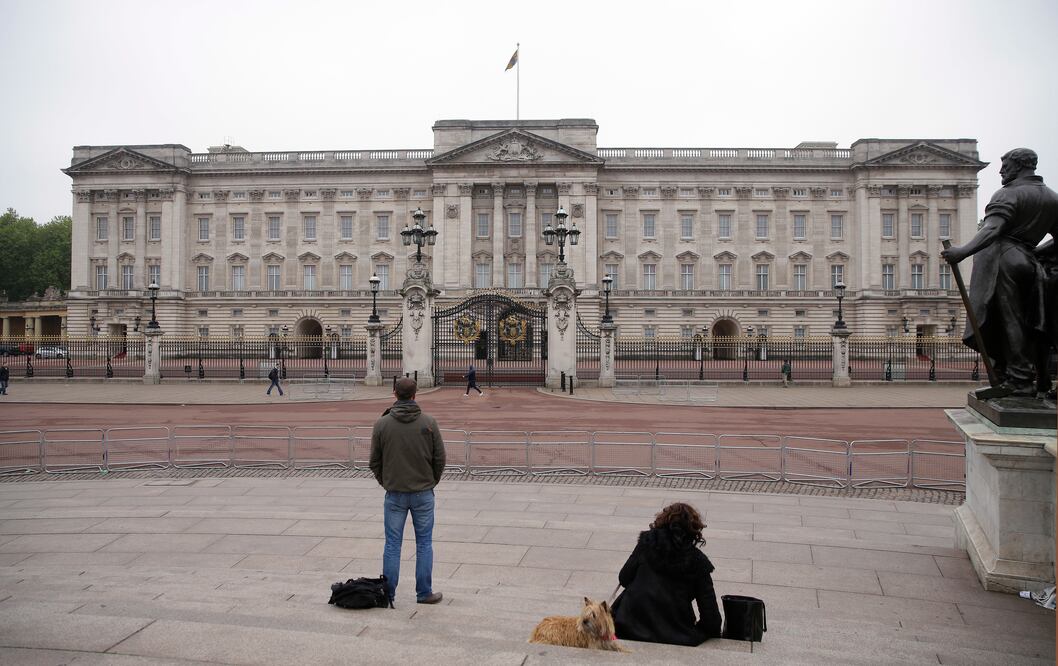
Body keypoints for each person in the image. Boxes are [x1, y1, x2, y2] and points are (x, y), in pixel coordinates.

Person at [941, 148, 1058, 397]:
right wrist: (1033, 253)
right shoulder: (1052, 198)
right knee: (1029, 323)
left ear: (1019, 165)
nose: (1001, 170)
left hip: (1002, 261)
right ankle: (1023, 377)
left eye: (1006, 165)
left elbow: (992, 229)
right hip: (1027, 262)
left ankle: (1019, 380)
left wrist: (962, 252)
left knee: (1008, 320)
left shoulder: (1009, 193)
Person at [370, 377, 446, 605]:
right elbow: (440, 458)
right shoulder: (428, 422)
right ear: (415, 395)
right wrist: (431, 481)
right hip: (423, 492)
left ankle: (388, 594)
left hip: (395, 492)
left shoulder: (381, 424)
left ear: (394, 394)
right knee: (424, 543)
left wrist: (386, 482)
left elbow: (375, 461)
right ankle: (424, 592)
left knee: (392, 544)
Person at [611, 502, 721, 646]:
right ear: (693, 530)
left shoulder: (647, 543)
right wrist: (698, 631)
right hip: (675, 632)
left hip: (628, 624)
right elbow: (711, 616)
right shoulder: (698, 561)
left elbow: (624, 578)